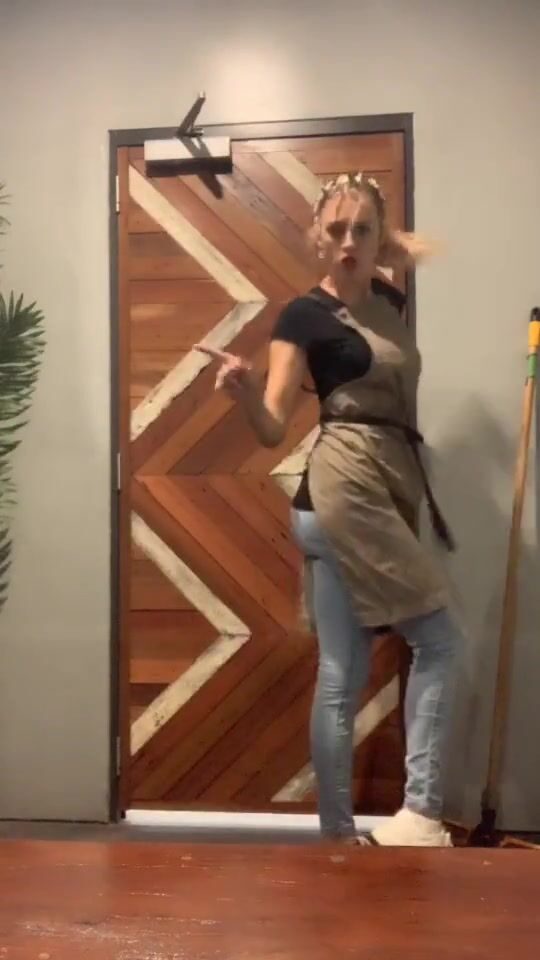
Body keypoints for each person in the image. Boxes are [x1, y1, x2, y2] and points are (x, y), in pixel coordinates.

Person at [195, 171, 459, 847]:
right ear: (317, 237)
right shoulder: (303, 317)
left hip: (378, 486)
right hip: (344, 489)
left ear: (377, 237)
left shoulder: (391, 299)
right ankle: (420, 815)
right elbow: (271, 428)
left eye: (361, 230)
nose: (347, 243)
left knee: (341, 674)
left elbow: (400, 374)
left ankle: (337, 842)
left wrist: (389, 245)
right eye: (336, 230)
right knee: (437, 639)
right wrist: (246, 393)